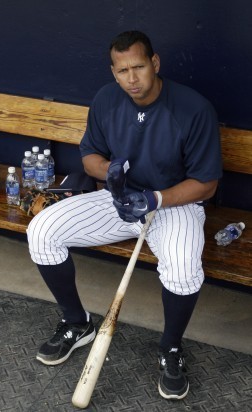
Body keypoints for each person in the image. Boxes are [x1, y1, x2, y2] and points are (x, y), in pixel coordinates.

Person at [26, 30, 222, 400]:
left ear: (155, 63)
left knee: (182, 270)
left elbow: (206, 184)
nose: (131, 79)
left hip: (173, 204)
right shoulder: (106, 99)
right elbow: (90, 156)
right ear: (113, 71)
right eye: (122, 71)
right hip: (121, 198)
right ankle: (76, 322)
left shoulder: (193, 108)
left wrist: (157, 199)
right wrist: (109, 172)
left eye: (138, 67)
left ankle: (171, 348)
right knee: (42, 229)